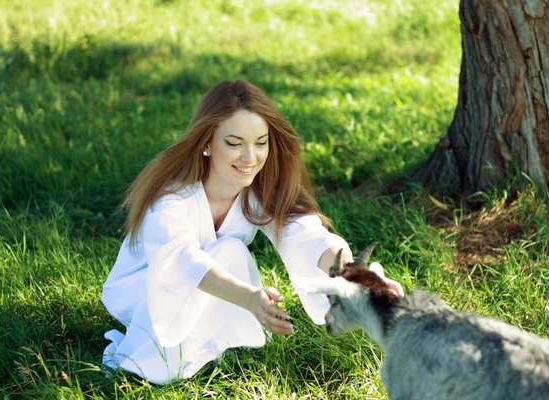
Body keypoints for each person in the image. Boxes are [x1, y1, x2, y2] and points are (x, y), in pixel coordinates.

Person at [101, 79, 404, 384]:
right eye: (234, 143)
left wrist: (360, 279)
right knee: (224, 257)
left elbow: (303, 236)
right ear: (206, 143)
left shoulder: (257, 193)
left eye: (261, 142)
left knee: (230, 250)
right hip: (149, 292)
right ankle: (153, 352)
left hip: (214, 285)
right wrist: (249, 298)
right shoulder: (170, 199)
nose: (250, 158)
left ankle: (210, 339)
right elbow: (182, 261)